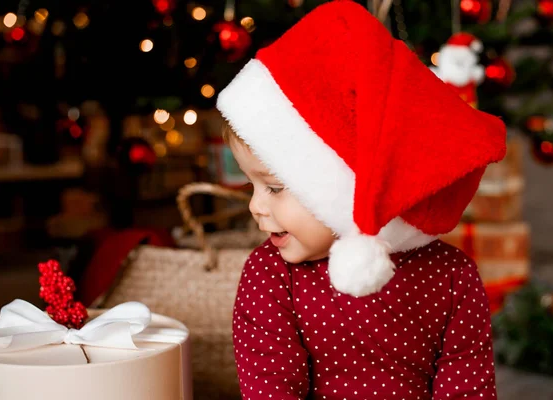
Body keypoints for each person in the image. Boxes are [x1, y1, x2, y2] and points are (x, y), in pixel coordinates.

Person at [216, 1, 506, 398]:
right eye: (253, 186)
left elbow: (467, 389)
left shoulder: (452, 279)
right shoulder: (270, 278)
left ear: (350, 192)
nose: (256, 206)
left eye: (275, 187)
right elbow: (272, 389)